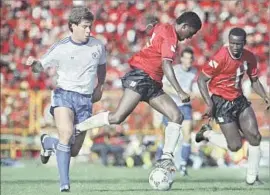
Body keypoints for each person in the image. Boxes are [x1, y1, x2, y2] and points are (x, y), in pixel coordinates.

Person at [76, 11, 202, 172]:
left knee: (176, 116)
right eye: (191, 33)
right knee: (117, 117)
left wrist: (150, 22)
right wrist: (179, 91)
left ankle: (166, 158)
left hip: (153, 83)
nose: (190, 37)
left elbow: (154, 25)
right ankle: (78, 128)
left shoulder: (164, 26)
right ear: (184, 26)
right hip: (141, 77)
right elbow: (166, 65)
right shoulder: (171, 37)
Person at [25, 7, 106, 192]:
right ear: (73, 26)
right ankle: (64, 184)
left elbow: (102, 66)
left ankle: (47, 143)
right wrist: (33, 65)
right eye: (85, 26)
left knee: (74, 150)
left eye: (90, 26)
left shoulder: (97, 46)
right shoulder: (61, 47)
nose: (89, 30)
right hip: (64, 95)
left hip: (85, 100)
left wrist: (100, 86)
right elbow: (40, 67)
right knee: (67, 134)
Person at [196, 27, 270, 185]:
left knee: (255, 137)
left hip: (239, 100)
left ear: (244, 43)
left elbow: (254, 80)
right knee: (235, 146)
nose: (235, 47)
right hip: (221, 103)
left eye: (238, 44)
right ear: (228, 42)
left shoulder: (249, 57)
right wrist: (209, 103)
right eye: (232, 43)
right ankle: (207, 134)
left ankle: (252, 178)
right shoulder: (220, 57)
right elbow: (201, 80)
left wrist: (265, 97)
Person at [162, 47, 198, 176]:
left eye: (190, 58)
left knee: (187, 134)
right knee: (167, 136)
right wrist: (179, 93)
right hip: (171, 105)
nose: (188, 61)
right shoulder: (175, 70)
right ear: (182, 58)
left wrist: (193, 94)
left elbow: (195, 88)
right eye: (186, 58)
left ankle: (183, 164)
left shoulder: (194, 72)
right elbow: (164, 86)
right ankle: (163, 162)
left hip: (186, 106)